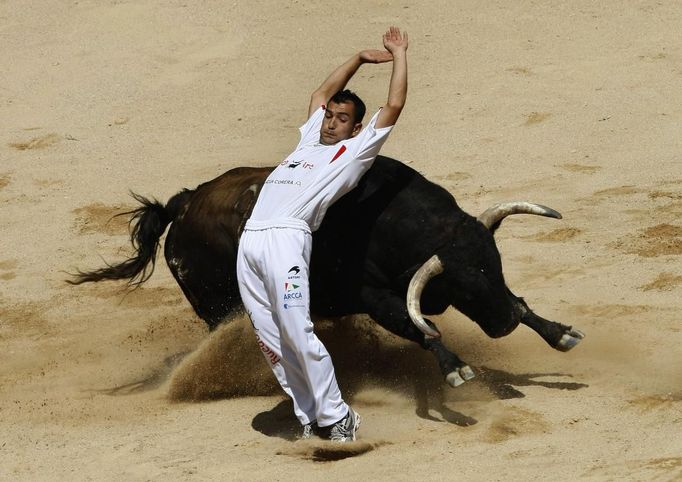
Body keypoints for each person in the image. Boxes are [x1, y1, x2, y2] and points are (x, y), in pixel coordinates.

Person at [236, 27, 408, 442]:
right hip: (251, 240)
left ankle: (339, 417)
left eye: (341, 119)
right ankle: (312, 416)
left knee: (297, 330)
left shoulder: (355, 151)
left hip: (287, 240)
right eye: (330, 116)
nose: (331, 123)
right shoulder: (308, 142)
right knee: (271, 338)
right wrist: (358, 58)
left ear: (357, 127)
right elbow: (320, 94)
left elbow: (396, 104)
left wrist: (398, 54)